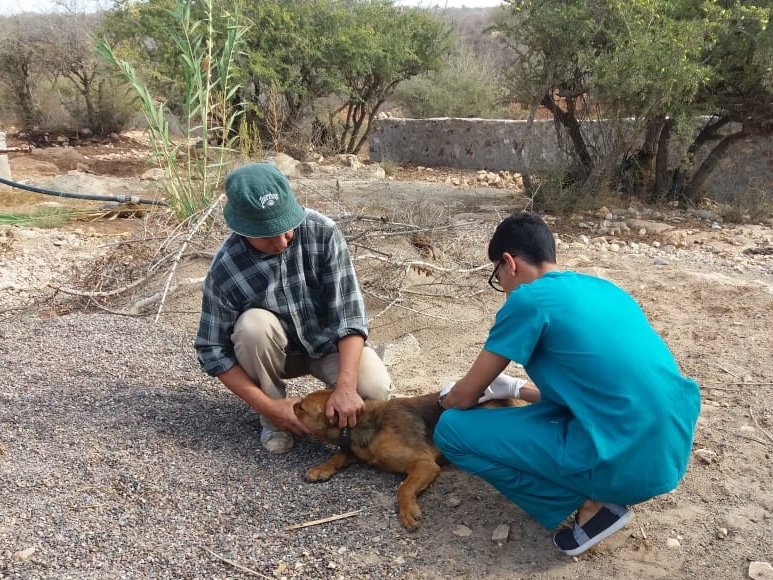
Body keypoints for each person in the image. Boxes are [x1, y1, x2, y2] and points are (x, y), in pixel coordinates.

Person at [434, 211, 701, 556]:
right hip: (670, 453)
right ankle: (602, 486)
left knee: (452, 430)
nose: (501, 284)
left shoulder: (528, 300)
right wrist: (516, 389)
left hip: (624, 460)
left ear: (508, 262)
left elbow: (464, 396)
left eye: (497, 275)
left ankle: (595, 507)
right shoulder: (604, 288)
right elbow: (596, 390)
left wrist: (441, 404)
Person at [194, 162, 392, 454]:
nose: (282, 241)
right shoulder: (226, 268)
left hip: (329, 346)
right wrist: (268, 406)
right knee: (253, 326)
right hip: (276, 353)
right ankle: (275, 419)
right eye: (267, 235)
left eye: (286, 228)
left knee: (375, 392)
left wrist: (346, 387)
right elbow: (211, 349)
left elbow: (348, 316)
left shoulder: (323, 232)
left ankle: (332, 406)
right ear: (241, 229)